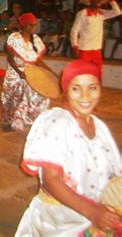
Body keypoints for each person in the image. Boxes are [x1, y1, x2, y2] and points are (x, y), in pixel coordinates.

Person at [15, 60, 121, 236]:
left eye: (92, 88)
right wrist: (92, 211)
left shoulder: (100, 127)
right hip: (59, 221)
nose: (85, 96)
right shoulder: (57, 122)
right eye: (76, 88)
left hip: (96, 214)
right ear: (65, 90)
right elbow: (51, 180)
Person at [0, 13, 51, 134]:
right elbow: (10, 59)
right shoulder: (14, 38)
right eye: (29, 25)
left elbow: (37, 61)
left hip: (31, 73)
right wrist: (19, 72)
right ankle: (7, 122)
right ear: (23, 25)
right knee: (11, 99)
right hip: (15, 73)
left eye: (33, 25)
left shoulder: (36, 40)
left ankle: (29, 121)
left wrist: (51, 73)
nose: (32, 27)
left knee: (38, 97)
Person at [70, 0, 120, 71]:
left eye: (100, 0)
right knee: (84, 73)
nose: (99, 2)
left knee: (97, 75)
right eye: (97, 0)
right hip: (84, 49)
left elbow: (117, 12)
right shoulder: (82, 13)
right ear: (91, 1)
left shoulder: (102, 13)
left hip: (97, 50)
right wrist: (75, 46)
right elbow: (74, 31)